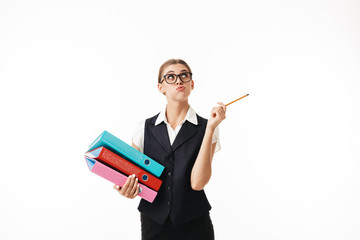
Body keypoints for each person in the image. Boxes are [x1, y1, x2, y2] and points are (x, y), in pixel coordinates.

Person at [113, 58, 226, 240]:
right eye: (170, 77)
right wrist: (125, 188)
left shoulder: (208, 127)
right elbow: (133, 176)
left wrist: (211, 128)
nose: (179, 80)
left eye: (184, 75)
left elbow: (198, 183)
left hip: (195, 224)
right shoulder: (144, 127)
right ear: (161, 87)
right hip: (154, 224)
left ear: (192, 84)